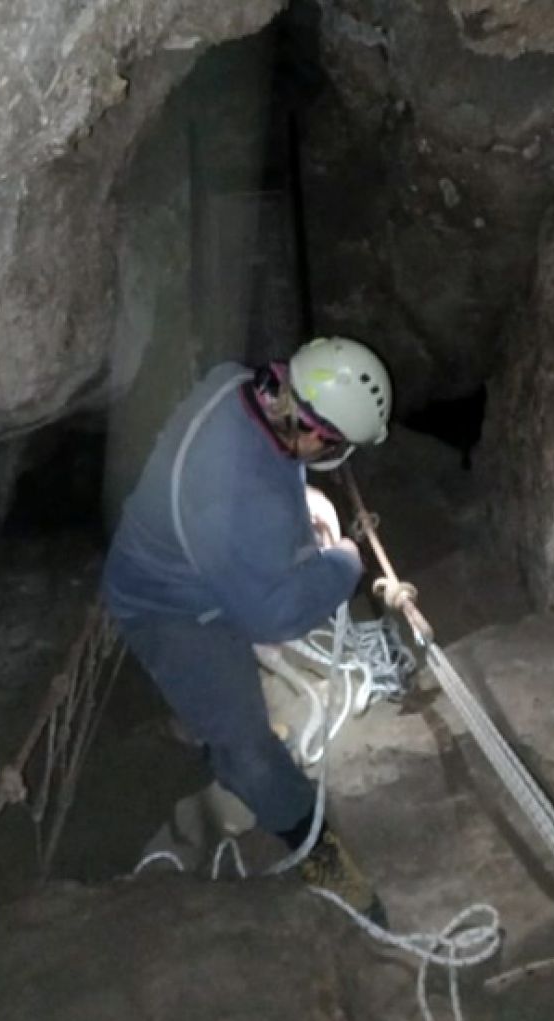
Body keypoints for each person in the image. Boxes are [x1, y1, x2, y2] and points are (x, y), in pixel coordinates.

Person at [103, 337, 396, 920]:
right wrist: (344, 560)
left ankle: (192, 717)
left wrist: (299, 517)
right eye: (334, 445)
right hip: (170, 608)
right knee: (249, 753)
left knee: (260, 580)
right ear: (316, 434)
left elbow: (270, 472)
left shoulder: (241, 386)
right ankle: (319, 853)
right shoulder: (240, 496)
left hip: (180, 552)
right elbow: (274, 614)